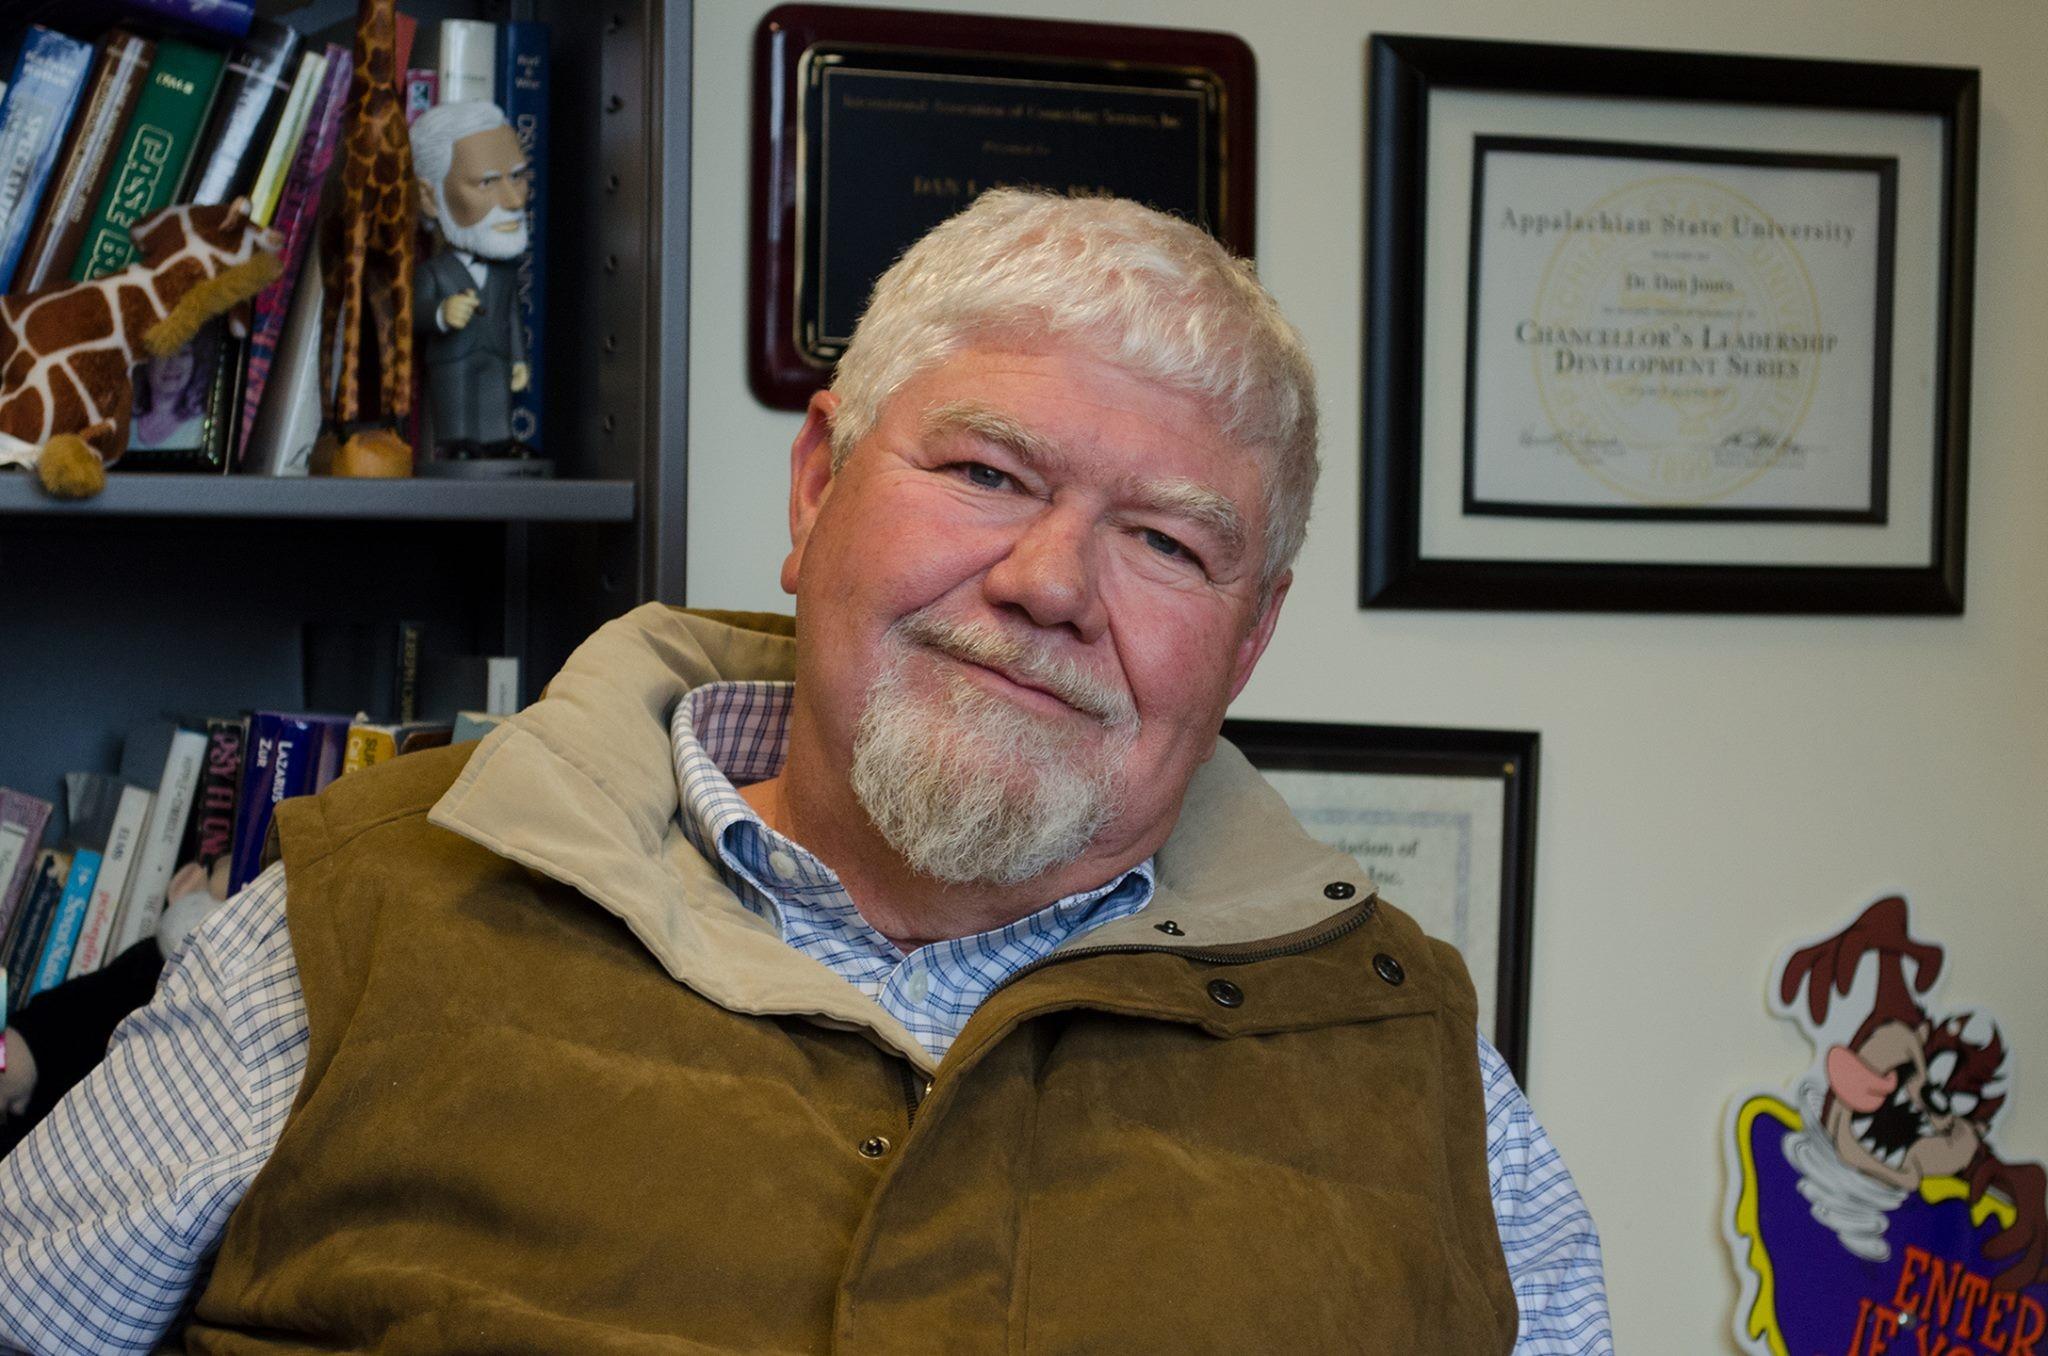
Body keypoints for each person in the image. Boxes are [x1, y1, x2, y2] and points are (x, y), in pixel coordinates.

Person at [0, 190, 1611, 1353]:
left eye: (1168, 543)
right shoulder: (358, 915)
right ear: (819, 481)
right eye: (988, 471)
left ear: (1248, 639)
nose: (1054, 583)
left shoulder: (1418, 1069)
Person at [407, 99, 531, 460]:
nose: (512, 200)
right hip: (454, 357)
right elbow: (411, 313)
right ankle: (458, 443)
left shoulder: (505, 270)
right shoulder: (435, 271)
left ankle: (498, 441)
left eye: (518, 177)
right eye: (487, 181)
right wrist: (441, 313)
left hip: (496, 354)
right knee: (457, 401)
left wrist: (519, 359)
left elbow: (511, 315)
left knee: (496, 402)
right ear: (430, 197)